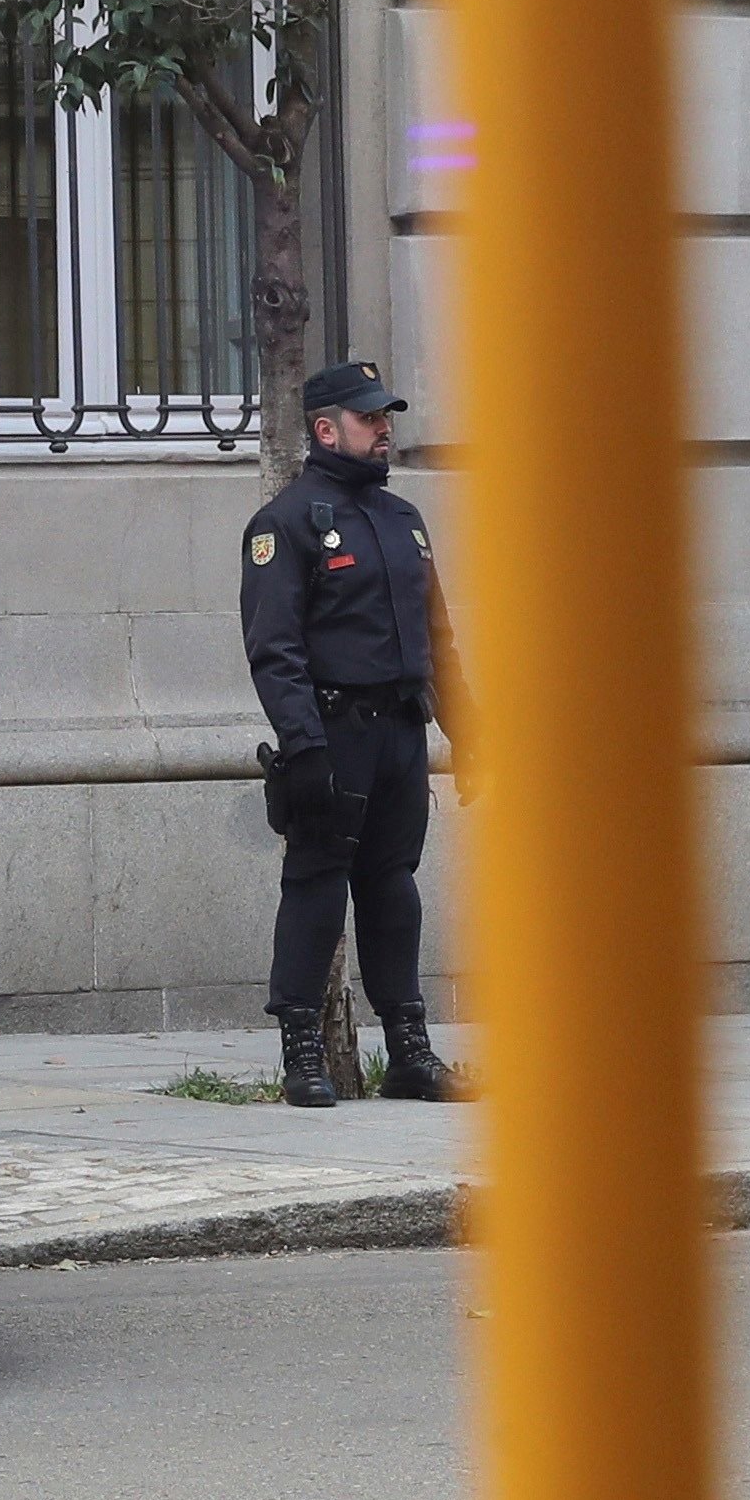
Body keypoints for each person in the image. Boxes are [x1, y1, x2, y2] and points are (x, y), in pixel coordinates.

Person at [237, 355, 450, 1112]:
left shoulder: (401, 521)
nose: (384, 428)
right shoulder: (288, 523)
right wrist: (305, 747)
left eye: (386, 416)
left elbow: (438, 640)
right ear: (326, 430)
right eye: (369, 418)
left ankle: (410, 1053)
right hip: (332, 732)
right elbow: (275, 649)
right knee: (316, 888)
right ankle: (303, 1053)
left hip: (399, 731)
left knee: (394, 892)